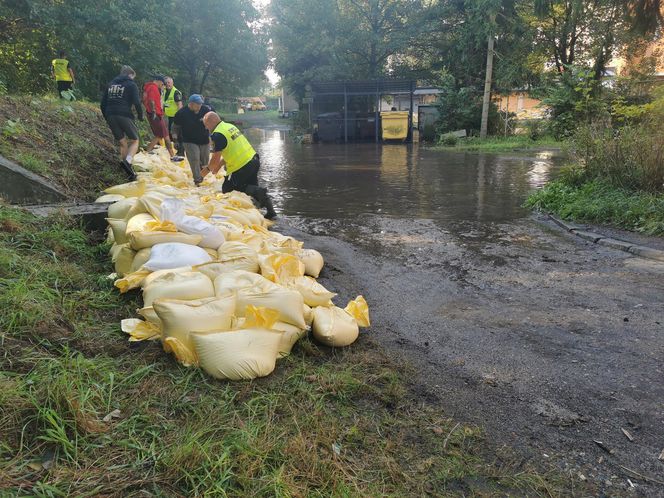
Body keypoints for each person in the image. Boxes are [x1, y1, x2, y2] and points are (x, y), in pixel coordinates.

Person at [202, 112, 276, 219]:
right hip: (253, 160)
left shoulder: (217, 135)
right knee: (251, 188)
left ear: (211, 122)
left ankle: (259, 193)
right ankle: (270, 212)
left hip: (242, 166)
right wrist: (218, 166)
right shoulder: (229, 126)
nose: (206, 127)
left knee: (229, 189)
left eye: (206, 124)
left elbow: (214, 161)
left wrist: (204, 173)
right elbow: (231, 150)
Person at [100, 65, 144, 180]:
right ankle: (128, 162)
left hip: (110, 114)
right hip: (124, 114)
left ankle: (127, 171)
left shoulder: (111, 84)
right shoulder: (131, 84)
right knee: (135, 140)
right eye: (133, 77)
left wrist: (107, 116)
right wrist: (140, 115)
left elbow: (102, 104)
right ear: (130, 74)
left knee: (122, 142)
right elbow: (137, 103)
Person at [173, 94, 212, 186]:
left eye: (200, 104)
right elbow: (175, 127)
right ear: (191, 104)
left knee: (205, 162)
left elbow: (214, 121)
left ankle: (201, 175)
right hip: (189, 140)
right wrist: (175, 139)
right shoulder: (181, 113)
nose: (199, 106)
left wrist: (213, 137)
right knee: (194, 158)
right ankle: (197, 180)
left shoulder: (206, 110)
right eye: (197, 104)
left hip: (204, 139)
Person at [142, 75, 182, 161]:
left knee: (160, 135)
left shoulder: (148, 88)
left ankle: (147, 152)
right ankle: (172, 156)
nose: (163, 85)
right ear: (159, 81)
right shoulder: (153, 87)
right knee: (165, 135)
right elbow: (151, 100)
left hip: (157, 114)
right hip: (156, 115)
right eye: (163, 83)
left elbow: (146, 99)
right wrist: (153, 112)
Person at [163, 76, 184, 155]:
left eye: (169, 82)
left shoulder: (176, 92)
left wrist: (179, 116)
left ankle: (180, 151)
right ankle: (172, 150)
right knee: (169, 133)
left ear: (172, 83)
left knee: (176, 133)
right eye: (166, 83)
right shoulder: (164, 91)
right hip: (168, 116)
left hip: (176, 116)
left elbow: (179, 104)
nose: (167, 84)